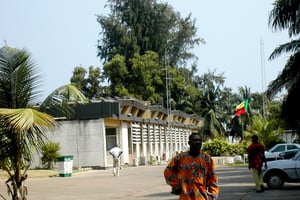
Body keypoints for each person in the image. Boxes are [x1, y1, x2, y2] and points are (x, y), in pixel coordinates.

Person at [164, 133, 219, 200]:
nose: (198, 142)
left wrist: (213, 195)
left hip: (201, 197)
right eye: (195, 140)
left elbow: (213, 178)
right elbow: (168, 171)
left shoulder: (206, 159)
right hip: (185, 197)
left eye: (199, 140)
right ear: (189, 143)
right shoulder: (180, 158)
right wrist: (176, 185)